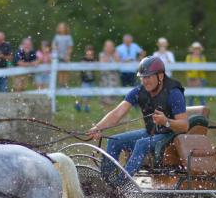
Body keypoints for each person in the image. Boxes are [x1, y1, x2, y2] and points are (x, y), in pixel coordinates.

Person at [87, 56, 188, 187]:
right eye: (142, 77)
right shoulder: (139, 91)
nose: (145, 81)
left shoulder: (174, 93)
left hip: (170, 134)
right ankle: (107, 184)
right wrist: (97, 127)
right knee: (113, 141)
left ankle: (120, 186)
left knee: (141, 144)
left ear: (161, 76)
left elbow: (184, 126)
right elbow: (117, 113)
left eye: (148, 77)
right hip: (151, 133)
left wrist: (166, 121)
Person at [99, 39, 121, 106]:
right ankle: (105, 104)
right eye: (108, 46)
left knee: (113, 93)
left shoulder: (116, 54)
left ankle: (112, 104)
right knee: (105, 91)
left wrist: (113, 55)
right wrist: (108, 54)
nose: (109, 48)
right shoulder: (102, 54)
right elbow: (103, 63)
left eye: (111, 46)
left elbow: (118, 63)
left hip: (114, 76)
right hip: (105, 76)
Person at [75, 45, 97, 112]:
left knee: (89, 94)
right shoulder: (83, 59)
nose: (90, 52)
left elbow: (96, 66)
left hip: (91, 79)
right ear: (86, 51)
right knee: (84, 93)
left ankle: (79, 104)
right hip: (85, 80)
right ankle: (86, 106)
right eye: (88, 51)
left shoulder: (94, 59)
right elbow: (82, 67)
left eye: (91, 51)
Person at [52, 22, 74, 87]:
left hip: (66, 56)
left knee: (66, 70)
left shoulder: (68, 37)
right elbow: (53, 45)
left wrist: (68, 55)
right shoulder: (56, 37)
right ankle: (61, 84)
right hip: (58, 56)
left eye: (63, 27)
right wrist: (55, 48)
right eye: (60, 27)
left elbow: (70, 47)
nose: (61, 29)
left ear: (65, 28)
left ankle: (66, 83)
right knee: (60, 71)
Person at [185, 42, 207, 106]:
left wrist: (198, 79)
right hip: (191, 79)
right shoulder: (189, 57)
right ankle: (190, 110)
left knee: (202, 96)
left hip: (201, 79)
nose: (196, 50)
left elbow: (203, 70)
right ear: (192, 49)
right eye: (195, 49)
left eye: (198, 49)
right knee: (191, 97)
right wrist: (191, 80)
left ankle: (203, 110)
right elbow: (188, 70)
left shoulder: (202, 57)